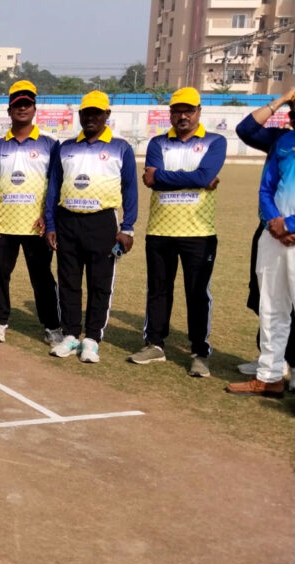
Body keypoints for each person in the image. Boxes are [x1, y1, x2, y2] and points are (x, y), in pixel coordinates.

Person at [127, 88, 226, 377]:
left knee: (197, 293)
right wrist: (196, 179)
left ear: (199, 112)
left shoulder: (215, 141)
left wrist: (165, 176)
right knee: (158, 289)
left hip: (199, 232)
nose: (183, 116)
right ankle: (155, 344)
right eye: (177, 111)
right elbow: (152, 182)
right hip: (160, 230)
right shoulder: (158, 142)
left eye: (189, 110)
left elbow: (202, 175)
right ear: (170, 113)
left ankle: (199, 352)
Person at [45, 90, 138, 363]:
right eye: (87, 113)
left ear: (107, 115)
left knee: (100, 282)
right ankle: (71, 334)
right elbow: (53, 188)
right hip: (67, 220)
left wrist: (127, 227)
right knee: (69, 281)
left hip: (102, 222)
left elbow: (130, 190)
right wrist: (50, 223)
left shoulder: (121, 147)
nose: (91, 118)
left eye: (97, 113)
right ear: (80, 114)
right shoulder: (66, 147)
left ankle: (92, 338)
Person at [0, 80, 61, 344]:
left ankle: (52, 326)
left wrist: (48, 217)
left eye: (27, 104)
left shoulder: (50, 144)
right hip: (3, 224)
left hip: (36, 225)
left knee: (42, 277)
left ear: (34, 109)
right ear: (9, 110)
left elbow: (55, 185)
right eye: (17, 104)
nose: (22, 108)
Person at [226, 108, 295, 397]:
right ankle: (270, 376)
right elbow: (266, 188)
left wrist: (290, 224)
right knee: (271, 308)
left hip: (286, 230)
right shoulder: (284, 141)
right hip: (273, 236)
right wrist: (274, 223)